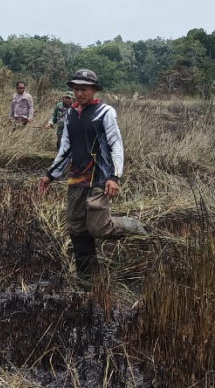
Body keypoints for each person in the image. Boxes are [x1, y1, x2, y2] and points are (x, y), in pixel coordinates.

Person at [38, 69, 146, 278]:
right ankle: (87, 277)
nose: (79, 93)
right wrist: (50, 175)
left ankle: (132, 224)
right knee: (77, 229)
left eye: (84, 89)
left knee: (98, 228)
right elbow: (66, 148)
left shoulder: (105, 112)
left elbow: (116, 144)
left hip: (99, 178)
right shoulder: (70, 114)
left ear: (94, 90)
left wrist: (114, 177)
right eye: (76, 89)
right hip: (77, 180)